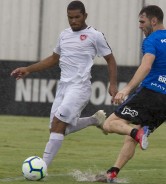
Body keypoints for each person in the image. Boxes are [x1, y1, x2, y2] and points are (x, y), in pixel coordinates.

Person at [96, 5, 166, 183]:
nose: (140, 26)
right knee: (131, 137)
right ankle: (112, 173)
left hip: (150, 94)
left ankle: (138, 133)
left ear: (153, 21)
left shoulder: (151, 41)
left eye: (142, 21)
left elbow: (146, 66)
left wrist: (126, 89)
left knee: (109, 124)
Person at [10, 1, 118, 168]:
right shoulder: (64, 35)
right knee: (57, 129)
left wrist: (113, 85)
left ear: (85, 16)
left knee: (59, 124)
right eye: (70, 17)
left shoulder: (95, 35)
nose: (73, 21)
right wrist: (28, 69)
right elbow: (54, 59)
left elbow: (110, 60)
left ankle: (42, 167)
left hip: (79, 87)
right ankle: (94, 120)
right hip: (63, 87)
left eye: (77, 17)